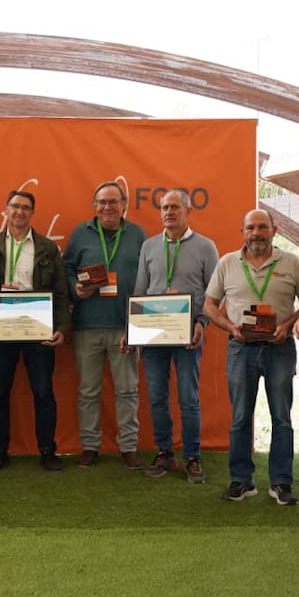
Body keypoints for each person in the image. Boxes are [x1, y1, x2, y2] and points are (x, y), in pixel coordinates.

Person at [204, 208, 299, 504]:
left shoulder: (292, 262)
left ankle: (281, 483)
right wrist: (229, 326)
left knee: (282, 417)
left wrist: (288, 325)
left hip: (280, 349)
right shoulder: (227, 263)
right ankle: (241, 480)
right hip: (240, 348)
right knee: (239, 418)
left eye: (262, 227)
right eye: (250, 228)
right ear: (243, 232)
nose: (256, 233)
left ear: (274, 230)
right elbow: (210, 305)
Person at [0, 190, 72, 472]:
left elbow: (61, 292)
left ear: (33, 213)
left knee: (43, 391)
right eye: (15, 206)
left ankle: (47, 449)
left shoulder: (47, 248)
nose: (19, 212)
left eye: (25, 208)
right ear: (5, 210)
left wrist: (62, 329)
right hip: (1, 326)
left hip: (37, 327)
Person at [134, 189, 219, 483]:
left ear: (187, 211)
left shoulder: (206, 247)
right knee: (157, 397)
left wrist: (202, 323)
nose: (168, 212)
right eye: (164, 207)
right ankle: (165, 453)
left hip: (188, 336)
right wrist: (133, 331)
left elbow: (214, 295)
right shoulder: (149, 246)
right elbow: (140, 292)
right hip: (154, 335)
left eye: (174, 207)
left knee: (188, 398)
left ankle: (192, 456)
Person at [62, 181, 146, 469]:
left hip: (126, 326)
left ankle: (129, 446)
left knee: (127, 390)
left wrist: (137, 324)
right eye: (102, 202)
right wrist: (76, 288)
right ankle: (89, 446)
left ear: (124, 204)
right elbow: (66, 268)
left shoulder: (137, 234)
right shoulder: (80, 233)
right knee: (88, 390)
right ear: (94, 205)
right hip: (87, 325)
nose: (107, 207)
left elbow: (147, 277)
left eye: (113, 201)